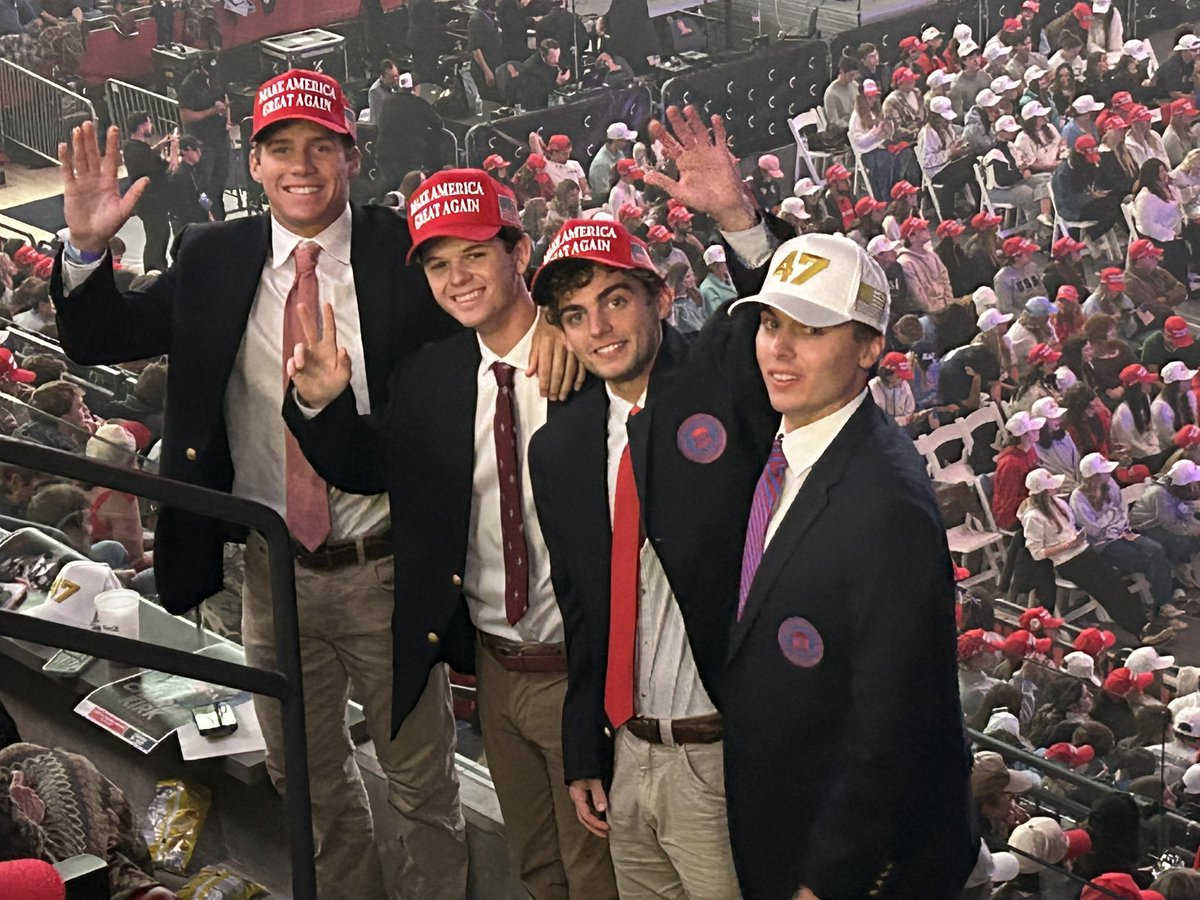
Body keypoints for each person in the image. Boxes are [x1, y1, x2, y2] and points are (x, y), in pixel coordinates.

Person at [51, 71, 476, 900]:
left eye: (322, 146)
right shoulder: (215, 256)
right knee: (308, 785)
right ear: (253, 162)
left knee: (424, 785)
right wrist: (86, 251)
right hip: (269, 573)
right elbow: (103, 336)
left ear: (352, 155)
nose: (302, 165)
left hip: (387, 566)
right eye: (281, 148)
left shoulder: (403, 252)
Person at [626, 106, 976, 899]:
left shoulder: (884, 503)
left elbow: (893, 720)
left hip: (844, 861)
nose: (779, 350)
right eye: (769, 325)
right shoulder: (788, 443)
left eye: (810, 332)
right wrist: (737, 221)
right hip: (778, 820)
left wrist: (830, 878)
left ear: (869, 348)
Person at [283, 168, 615, 899]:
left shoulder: (591, 356)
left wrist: (566, 323)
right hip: (494, 668)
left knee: (600, 876)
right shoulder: (432, 375)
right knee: (539, 867)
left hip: (585, 667)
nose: (457, 278)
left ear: (519, 253)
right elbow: (376, 470)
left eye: (473, 254)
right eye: (438, 264)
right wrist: (323, 409)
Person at [525, 220, 741, 898]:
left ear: (661, 300)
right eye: (576, 314)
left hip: (724, 752)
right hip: (628, 752)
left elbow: (782, 339)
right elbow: (584, 609)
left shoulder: (723, 390)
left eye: (616, 299)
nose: (600, 328)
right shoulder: (559, 449)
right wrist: (584, 747)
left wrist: (740, 223)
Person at [1020, 467, 1153, 639]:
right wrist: (1068, 545)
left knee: (1114, 581)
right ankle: (1137, 629)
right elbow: (1037, 553)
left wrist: (1078, 537)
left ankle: (1143, 620)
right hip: (1067, 561)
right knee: (1104, 590)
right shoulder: (1033, 517)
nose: (1056, 487)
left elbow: (1070, 526)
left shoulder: (1058, 503)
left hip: (1083, 550)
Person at [1070, 451, 1174, 615]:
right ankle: (1157, 604)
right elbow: (1092, 529)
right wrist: (1111, 519)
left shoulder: (1110, 483)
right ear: (1094, 476)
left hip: (1123, 532)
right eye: (1104, 471)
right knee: (1145, 559)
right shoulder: (1078, 497)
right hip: (1102, 544)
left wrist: (1115, 523)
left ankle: (1164, 603)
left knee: (1157, 549)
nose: (1109, 473)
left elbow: (1121, 508)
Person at [121, 110, 176, 273]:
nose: (151, 125)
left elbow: (148, 155)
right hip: (151, 201)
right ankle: (154, 269)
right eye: (149, 122)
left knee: (158, 235)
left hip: (150, 200)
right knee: (158, 236)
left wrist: (160, 146)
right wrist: (173, 149)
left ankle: (156, 268)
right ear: (142, 126)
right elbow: (168, 168)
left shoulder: (133, 147)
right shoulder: (137, 151)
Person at [177, 54, 230, 221]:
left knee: (219, 181)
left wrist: (228, 121)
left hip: (220, 137)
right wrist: (212, 111)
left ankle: (218, 218)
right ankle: (210, 217)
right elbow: (185, 115)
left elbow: (225, 99)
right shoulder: (189, 86)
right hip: (204, 139)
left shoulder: (216, 78)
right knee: (206, 188)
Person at [375, 72, 443, 195]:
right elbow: (438, 124)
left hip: (385, 156)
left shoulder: (387, 101)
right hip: (409, 158)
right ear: (416, 87)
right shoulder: (420, 104)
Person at [166, 135, 212, 232]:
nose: (199, 153)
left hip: (198, 221)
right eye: (195, 150)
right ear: (184, 151)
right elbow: (183, 207)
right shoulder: (179, 175)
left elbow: (200, 192)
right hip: (188, 225)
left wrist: (208, 211)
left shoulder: (194, 171)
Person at [588, 122, 635, 204]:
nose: (627, 142)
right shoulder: (600, 163)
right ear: (616, 140)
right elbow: (602, 193)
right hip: (604, 203)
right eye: (624, 140)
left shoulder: (619, 152)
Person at [698, 244, 736, 317]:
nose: (725, 265)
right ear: (712, 266)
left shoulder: (731, 275)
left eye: (724, 262)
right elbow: (719, 313)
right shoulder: (707, 288)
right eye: (719, 264)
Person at [367, 58, 401, 124]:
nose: (395, 80)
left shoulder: (397, 86)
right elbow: (378, 119)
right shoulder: (375, 92)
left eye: (396, 76)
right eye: (391, 78)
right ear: (383, 77)